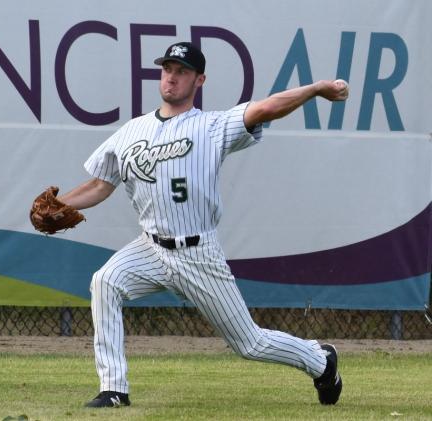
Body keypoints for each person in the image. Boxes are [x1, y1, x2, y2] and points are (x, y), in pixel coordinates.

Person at [58, 41, 347, 408]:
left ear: (199, 80)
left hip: (198, 252)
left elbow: (267, 107)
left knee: (250, 343)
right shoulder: (131, 131)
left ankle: (321, 361)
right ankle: (114, 389)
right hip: (149, 248)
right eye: (167, 69)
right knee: (105, 281)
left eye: (182, 71)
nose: (172, 77)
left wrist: (317, 89)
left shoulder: (212, 126)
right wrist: (58, 205)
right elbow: (100, 185)